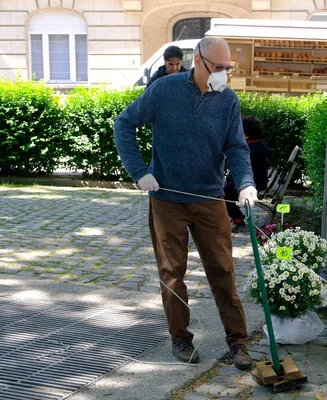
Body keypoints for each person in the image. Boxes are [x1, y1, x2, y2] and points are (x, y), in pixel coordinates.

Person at [114, 37, 258, 370]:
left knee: (223, 270)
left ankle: (238, 342)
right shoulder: (164, 91)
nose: (224, 74)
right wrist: (139, 172)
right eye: (218, 67)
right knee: (172, 273)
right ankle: (180, 339)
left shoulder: (228, 100)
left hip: (209, 198)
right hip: (167, 199)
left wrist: (246, 184)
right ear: (198, 60)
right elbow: (124, 124)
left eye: (228, 68)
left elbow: (237, 147)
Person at [225, 115, 269, 233]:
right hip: (259, 181)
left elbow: (240, 169)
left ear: (246, 135)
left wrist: (228, 178)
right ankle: (236, 218)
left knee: (224, 192)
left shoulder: (247, 149)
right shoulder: (259, 146)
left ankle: (237, 219)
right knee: (227, 189)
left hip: (251, 183)